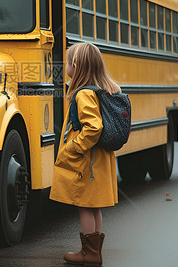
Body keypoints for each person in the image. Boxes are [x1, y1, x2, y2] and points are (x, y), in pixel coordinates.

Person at [50, 42, 120, 266]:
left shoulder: (84, 95)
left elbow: (94, 127)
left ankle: (88, 253)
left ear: (76, 66)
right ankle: (94, 252)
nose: (66, 65)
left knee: (85, 205)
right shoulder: (101, 90)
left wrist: (74, 147)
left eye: (68, 62)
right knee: (93, 205)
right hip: (99, 157)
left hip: (87, 160)